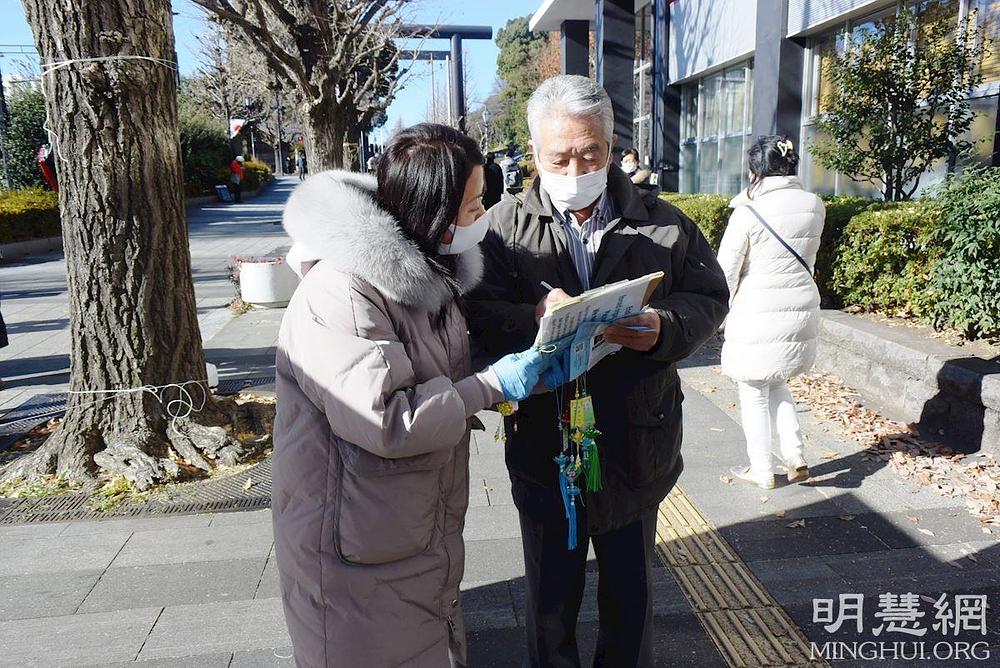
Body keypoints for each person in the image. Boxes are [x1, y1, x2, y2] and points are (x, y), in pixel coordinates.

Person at [467, 75, 729, 667]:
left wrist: (664, 326)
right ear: (535, 153)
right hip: (544, 441)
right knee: (549, 599)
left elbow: (710, 297)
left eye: (591, 152)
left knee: (630, 597)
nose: (577, 167)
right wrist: (530, 315)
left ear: (611, 147)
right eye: (560, 156)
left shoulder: (665, 223)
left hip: (638, 437)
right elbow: (476, 313)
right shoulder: (502, 229)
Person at [272, 122, 552, 668]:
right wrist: (493, 385)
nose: (480, 218)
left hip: (404, 529)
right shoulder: (344, 292)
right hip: (355, 547)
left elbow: (436, 368)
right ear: (433, 211)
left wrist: (525, 353)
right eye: (472, 206)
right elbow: (387, 420)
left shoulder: (425, 277)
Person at [717, 136, 825, 489]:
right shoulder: (814, 204)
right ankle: (795, 455)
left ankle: (761, 468)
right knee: (778, 380)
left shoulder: (748, 212)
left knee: (752, 389)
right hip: (799, 306)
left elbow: (726, 270)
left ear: (755, 171)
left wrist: (717, 313)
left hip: (756, 309)